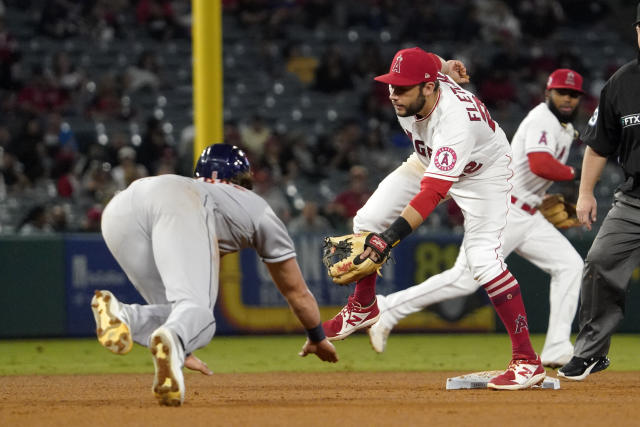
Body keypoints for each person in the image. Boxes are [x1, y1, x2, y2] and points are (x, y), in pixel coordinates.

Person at [322, 47, 545, 390]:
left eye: (403, 88)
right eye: (392, 86)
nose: (394, 94)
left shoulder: (456, 122)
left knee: (484, 261)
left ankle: (527, 361)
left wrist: (388, 241)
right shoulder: (425, 84)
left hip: (483, 173)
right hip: (429, 157)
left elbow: (431, 196)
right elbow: (433, 61)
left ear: (428, 88)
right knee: (367, 219)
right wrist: (448, 65)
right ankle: (364, 305)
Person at [367, 68, 586, 369]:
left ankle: (557, 347)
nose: (567, 98)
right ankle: (387, 308)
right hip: (503, 207)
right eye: (562, 92)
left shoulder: (563, 127)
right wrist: (580, 173)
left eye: (573, 95)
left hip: (530, 213)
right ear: (548, 92)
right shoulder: (542, 120)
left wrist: (541, 195)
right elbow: (539, 163)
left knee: (571, 265)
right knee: (464, 280)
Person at [91, 143, 338, 406]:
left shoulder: (197, 187)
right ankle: (175, 338)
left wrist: (184, 348)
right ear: (242, 177)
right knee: (202, 317)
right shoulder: (257, 207)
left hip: (121, 207)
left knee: (176, 312)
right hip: (178, 200)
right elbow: (296, 293)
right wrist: (317, 338)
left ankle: (124, 315)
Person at [558, 6, 640, 381]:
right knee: (600, 260)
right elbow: (598, 145)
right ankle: (591, 353)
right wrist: (585, 193)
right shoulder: (621, 83)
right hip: (635, 199)